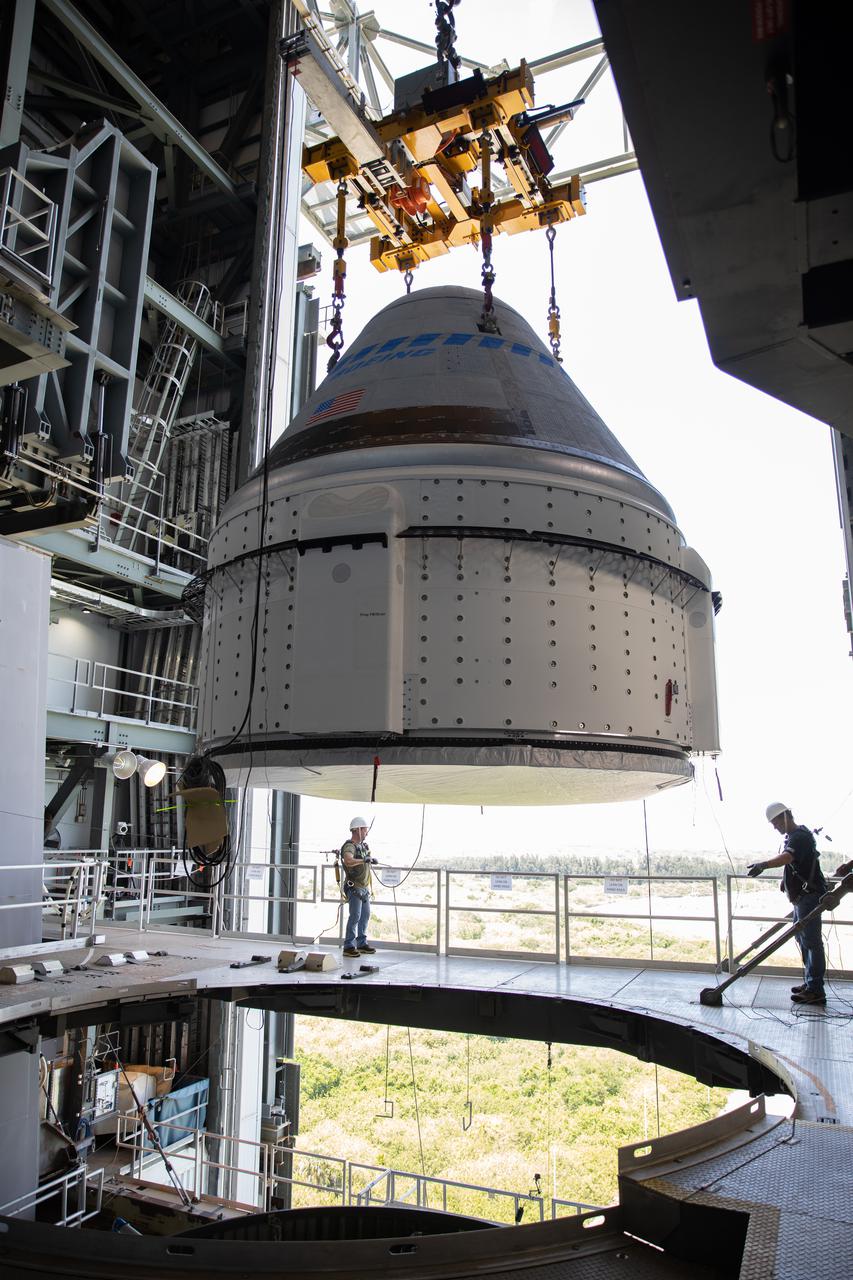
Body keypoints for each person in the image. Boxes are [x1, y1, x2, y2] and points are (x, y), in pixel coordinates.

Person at [747, 802, 827, 1005]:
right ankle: (811, 984)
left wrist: (764, 865)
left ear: (784, 817)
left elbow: (787, 857)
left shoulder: (799, 837)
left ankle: (815, 989)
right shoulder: (795, 836)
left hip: (808, 897)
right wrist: (787, 879)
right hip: (803, 897)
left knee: (811, 942)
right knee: (804, 940)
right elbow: (797, 862)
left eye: (776, 823)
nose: (775, 827)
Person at [340, 816, 378, 959]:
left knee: (365, 915)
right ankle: (349, 946)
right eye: (365, 830)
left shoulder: (363, 846)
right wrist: (364, 859)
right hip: (354, 887)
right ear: (358, 830)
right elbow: (348, 860)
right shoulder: (350, 846)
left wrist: (369, 859)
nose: (367, 833)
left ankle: (361, 943)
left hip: (364, 887)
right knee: (355, 916)